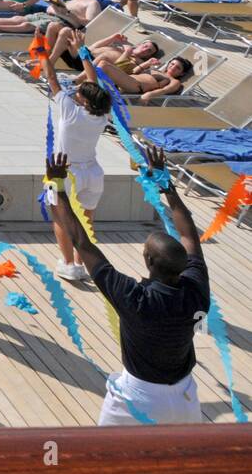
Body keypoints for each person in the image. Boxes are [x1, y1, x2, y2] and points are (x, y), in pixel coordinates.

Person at [45, 148, 208, 425]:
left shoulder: (135, 298)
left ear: (148, 260)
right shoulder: (196, 288)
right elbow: (188, 232)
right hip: (185, 399)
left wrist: (57, 186)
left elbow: (82, 244)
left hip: (137, 400)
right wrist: (165, 183)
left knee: (104, 463)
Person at [39, 34, 112, 281]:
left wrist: (42, 51)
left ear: (83, 100)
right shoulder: (101, 115)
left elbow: (51, 77)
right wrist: (82, 51)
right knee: (86, 221)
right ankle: (83, 262)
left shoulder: (69, 110)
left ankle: (69, 263)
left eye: (79, 92)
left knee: (60, 217)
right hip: (92, 172)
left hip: (65, 173)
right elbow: (95, 84)